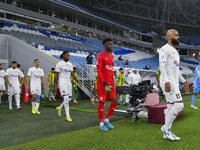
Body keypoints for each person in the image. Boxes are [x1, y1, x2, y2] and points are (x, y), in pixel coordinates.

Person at [159, 29, 188, 141]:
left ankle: (166, 133)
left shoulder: (175, 51)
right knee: (179, 105)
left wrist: (184, 81)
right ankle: (166, 128)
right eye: (176, 35)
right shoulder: (164, 49)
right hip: (168, 82)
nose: (178, 37)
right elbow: (162, 65)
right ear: (169, 37)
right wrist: (166, 81)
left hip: (174, 81)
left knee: (170, 105)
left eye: (178, 35)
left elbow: (176, 69)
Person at [53, 51, 82, 121]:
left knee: (69, 99)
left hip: (68, 81)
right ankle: (68, 116)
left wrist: (78, 81)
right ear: (63, 55)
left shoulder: (70, 64)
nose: (68, 57)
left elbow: (72, 74)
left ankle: (59, 108)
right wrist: (54, 86)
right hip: (62, 81)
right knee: (66, 98)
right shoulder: (59, 64)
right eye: (67, 56)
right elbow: (56, 76)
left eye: (69, 56)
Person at [96, 38, 118, 131]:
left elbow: (110, 70)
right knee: (102, 102)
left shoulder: (111, 56)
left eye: (112, 44)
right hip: (102, 84)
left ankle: (107, 119)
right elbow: (98, 71)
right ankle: (101, 124)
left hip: (110, 83)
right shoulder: (100, 56)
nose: (111, 46)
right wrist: (104, 83)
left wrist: (112, 82)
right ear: (105, 45)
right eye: (109, 44)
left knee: (114, 101)